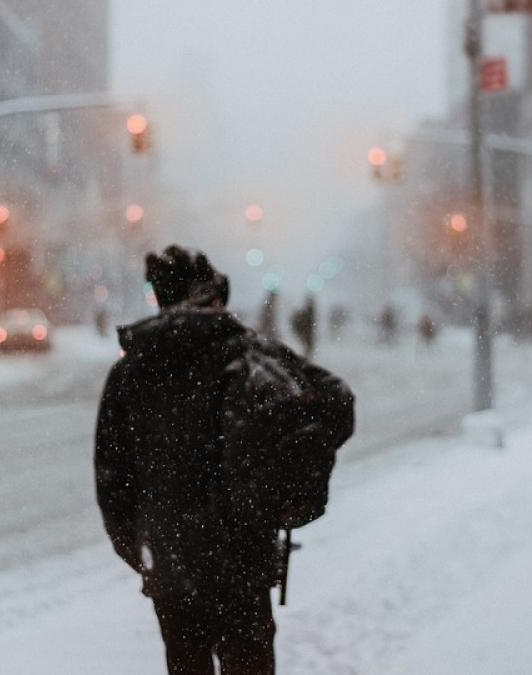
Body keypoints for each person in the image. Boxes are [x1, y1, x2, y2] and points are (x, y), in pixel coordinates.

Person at [95, 246, 353, 675]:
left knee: (186, 663)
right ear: (212, 297)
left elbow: (113, 478)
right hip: (243, 553)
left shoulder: (132, 370)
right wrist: (291, 474)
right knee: (248, 663)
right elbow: (336, 402)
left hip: (172, 558)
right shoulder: (250, 352)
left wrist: (141, 549)